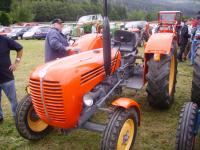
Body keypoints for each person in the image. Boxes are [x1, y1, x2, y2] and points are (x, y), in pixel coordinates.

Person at [0, 35, 23, 121]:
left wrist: (16, 62)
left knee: (13, 100)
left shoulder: (5, 40)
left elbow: (20, 48)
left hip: (7, 77)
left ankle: (16, 116)